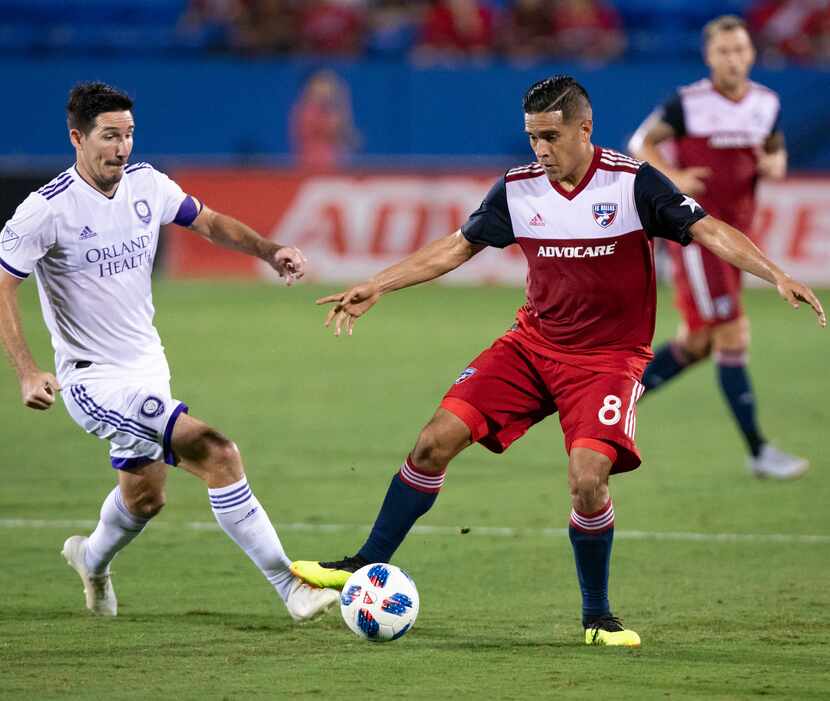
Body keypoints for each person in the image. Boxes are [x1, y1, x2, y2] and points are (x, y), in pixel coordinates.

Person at [289, 75, 825, 646]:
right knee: (432, 441)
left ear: (583, 129)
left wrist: (777, 274)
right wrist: (378, 285)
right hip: (530, 347)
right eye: (532, 138)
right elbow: (455, 246)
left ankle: (597, 617)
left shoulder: (633, 183)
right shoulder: (518, 189)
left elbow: (709, 228)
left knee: (587, 478)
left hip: (608, 361)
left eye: (550, 135)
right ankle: (364, 561)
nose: (539, 150)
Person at [0, 82, 339, 621]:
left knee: (145, 498)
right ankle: (289, 585)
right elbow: (3, 284)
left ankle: (91, 558)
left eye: (129, 134)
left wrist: (270, 250)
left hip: (148, 367)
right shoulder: (46, 211)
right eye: (110, 136)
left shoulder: (147, 184)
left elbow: (208, 221)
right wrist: (25, 370)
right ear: (77, 138)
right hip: (93, 381)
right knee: (217, 451)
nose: (123, 147)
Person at [628, 15, 805, 479]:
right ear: (709, 56)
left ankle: (611, 401)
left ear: (751, 53)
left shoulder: (766, 103)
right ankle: (759, 451)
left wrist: (774, 163)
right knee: (732, 334)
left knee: (700, 342)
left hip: (737, 239)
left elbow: (776, 151)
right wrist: (677, 178)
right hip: (700, 236)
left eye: (740, 49)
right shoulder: (689, 103)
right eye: (723, 51)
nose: (733, 58)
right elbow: (641, 143)